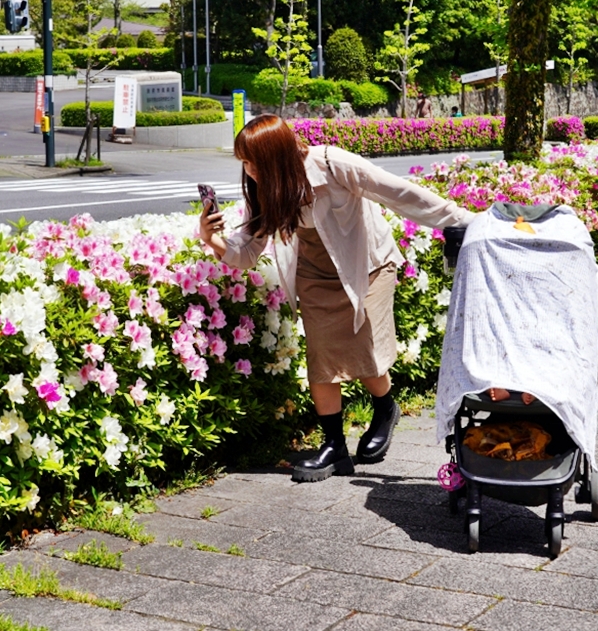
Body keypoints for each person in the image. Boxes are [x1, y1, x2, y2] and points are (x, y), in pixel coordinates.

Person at [199, 115, 476, 482]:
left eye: (251, 162)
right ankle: (334, 447)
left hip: (368, 266)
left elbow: (401, 194)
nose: (247, 171)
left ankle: (385, 407)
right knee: (322, 359)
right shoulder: (268, 187)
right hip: (314, 277)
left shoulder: (333, 164)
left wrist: (468, 221)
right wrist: (210, 237)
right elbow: (247, 252)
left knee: (367, 356)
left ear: (273, 158)